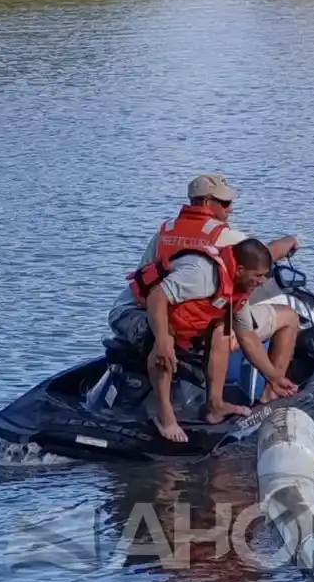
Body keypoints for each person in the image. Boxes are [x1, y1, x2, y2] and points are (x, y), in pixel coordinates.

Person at [109, 174, 303, 412]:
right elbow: (262, 255)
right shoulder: (227, 240)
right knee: (283, 317)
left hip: (133, 312)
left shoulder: (165, 231)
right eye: (225, 203)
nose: (230, 209)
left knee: (224, 323)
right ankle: (268, 397)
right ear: (206, 202)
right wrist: (291, 241)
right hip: (163, 316)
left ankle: (215, 401)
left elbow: (145, 276)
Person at [129, 236, 284, 443]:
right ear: (238, 270)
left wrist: (274, 377)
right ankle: (164, 417)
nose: (263, 281)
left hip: (173, 312)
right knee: (165, 343)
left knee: (223, 332)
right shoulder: (203, 275)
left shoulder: (238, 289)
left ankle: (215, 406)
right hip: (136, 310)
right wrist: (162, 340)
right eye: (258, 276)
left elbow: (247, 336)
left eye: (265, 276)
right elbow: (156, 297)